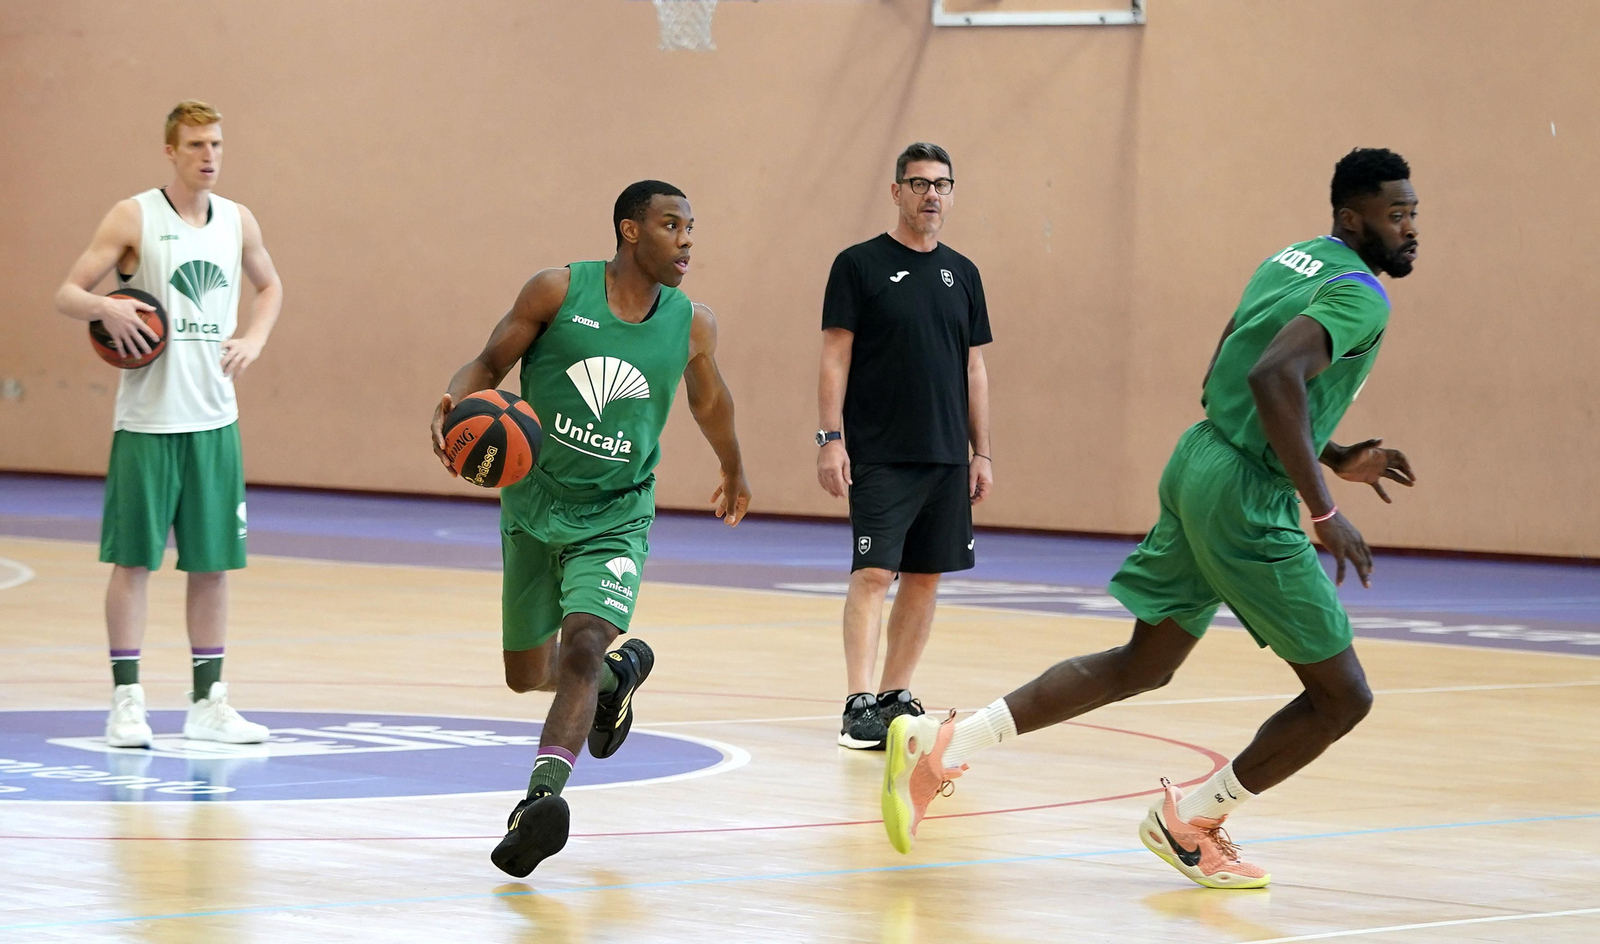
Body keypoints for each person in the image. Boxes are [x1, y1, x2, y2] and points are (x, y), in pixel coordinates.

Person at [880, 148, 1420, 889]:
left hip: (1199, 459)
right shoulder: (1362, 295)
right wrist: (1323, 509)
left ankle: (944, 742)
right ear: (1353, 218)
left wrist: (1332, 450)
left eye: (1414, 213)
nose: (1410, 228)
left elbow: (1224, 377)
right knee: (1342, 697)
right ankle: (1194, 823)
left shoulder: (1290, 260)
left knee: (1145, 662)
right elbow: (1269, 376)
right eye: (1396, 215)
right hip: (1245, 497)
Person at [430, 180, 752, 877]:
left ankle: (537, 804)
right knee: (526, 675)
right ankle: (615, 681)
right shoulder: (556, 291)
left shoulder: (692, 324)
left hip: (616, 514)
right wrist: (459, 404)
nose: (688, 239)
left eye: (692, 227)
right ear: (631, 231)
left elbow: (710, 400)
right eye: (673, 225)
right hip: (532, 502)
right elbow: (489, 364)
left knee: (578, 645)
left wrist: (733, 465)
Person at [54, 100, 285, 748]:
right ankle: (126, 701)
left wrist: (255, 339)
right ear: (170, 151)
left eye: (216, 144)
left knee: (212, 566)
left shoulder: (238, 221)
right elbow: (67, 292)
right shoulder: (135, 216)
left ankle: (208, 701)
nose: (208, 156)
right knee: (133, 563)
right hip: (147, 421)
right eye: (195, 146)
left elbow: (271, 286)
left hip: (215, 420)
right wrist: (107, 306)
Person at [817, 142, 994, 750]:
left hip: (947, 456)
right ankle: (856, 703)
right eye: (919, 184)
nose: (931, 195)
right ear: (896, 192)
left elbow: (974, 370)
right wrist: (830, 438)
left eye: (941, 184)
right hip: (881, 453)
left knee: (925, 578)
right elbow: (834, 357)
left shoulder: (964, 274)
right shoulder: (858, 265)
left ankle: (894, 697)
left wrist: (982, 451)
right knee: (873, 573)